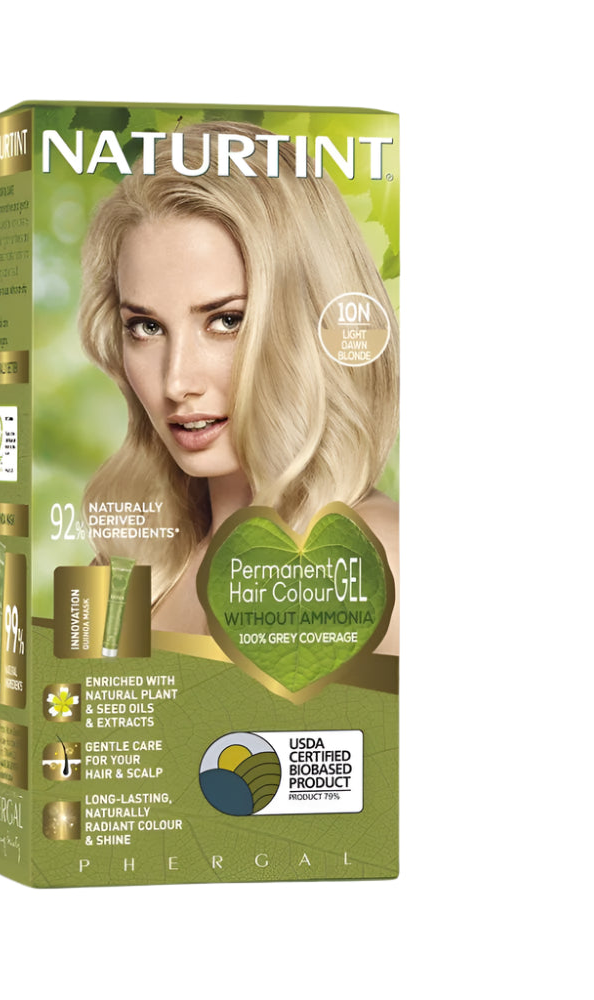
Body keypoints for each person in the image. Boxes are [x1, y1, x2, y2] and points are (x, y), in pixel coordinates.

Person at [79, 122, 399, 653]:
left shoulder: (375, 561)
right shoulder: (135, 562)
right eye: (147, 327)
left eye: (226, 321)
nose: (177, 382)